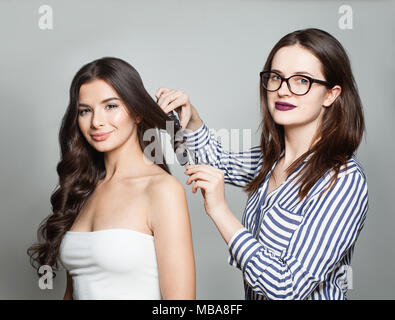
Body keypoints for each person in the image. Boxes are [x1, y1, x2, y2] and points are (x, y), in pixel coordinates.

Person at [156, 28, 369, 300]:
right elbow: (216, 161)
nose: (283, 90)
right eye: (276, 78)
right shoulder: (269, 161)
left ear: (331, 94)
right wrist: (192, 118)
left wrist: (220, 211)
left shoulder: (343, 180)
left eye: (301, 80)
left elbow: (287, 287)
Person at [27, 57, 195, 300]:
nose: (96, 122)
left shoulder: (162, 190)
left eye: (111, 106)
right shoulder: (82, 189)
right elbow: (73, 292)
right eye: (85, 110)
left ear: (137, 113)